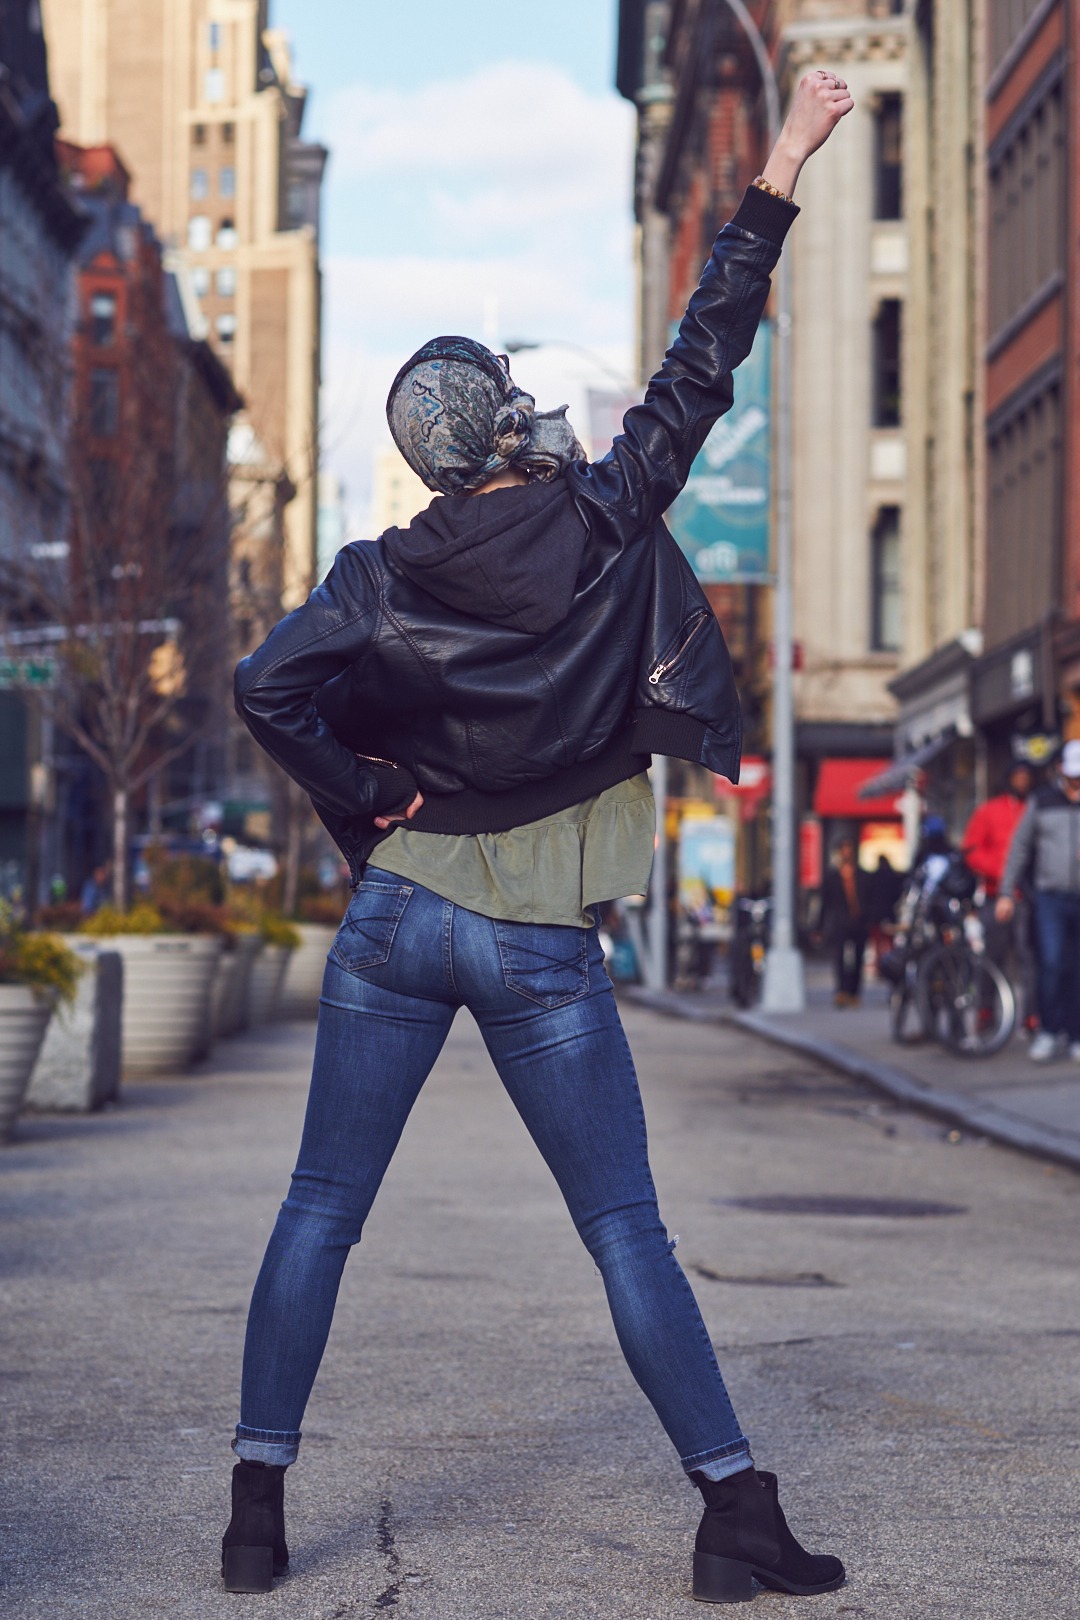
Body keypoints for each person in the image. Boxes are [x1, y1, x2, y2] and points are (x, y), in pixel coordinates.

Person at [224, 71, 853, 1605]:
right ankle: (732, 1511)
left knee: (320, 1210)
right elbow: (708, 352)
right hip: (536, 939)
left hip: (398, 919)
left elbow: (264, 685)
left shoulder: (376, 574)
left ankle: (254, 1510)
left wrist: (370, 805)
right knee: (624, 1229)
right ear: (506, 419)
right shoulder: (603, 518)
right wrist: (780, 159)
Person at [997, 740, 1080, 1062]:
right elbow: (1020, 848)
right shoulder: (1043, 801)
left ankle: (1075, 1033)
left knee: (1077, 969)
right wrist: (1006, 892)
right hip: (1051, 897)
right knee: (1053, 962)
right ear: (1061, 770)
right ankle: (1048, 1029)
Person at [821, 836, 870, 1006]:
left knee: (858, 959)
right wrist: (819, 927)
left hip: (860, 923)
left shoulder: (863, 876)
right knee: (840, 958)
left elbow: (869, 900)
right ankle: (841, 991)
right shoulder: (832, 878)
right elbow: (825, 904)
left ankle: (854, 992)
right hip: (840, 923)